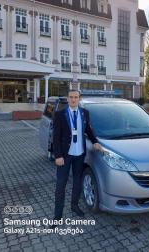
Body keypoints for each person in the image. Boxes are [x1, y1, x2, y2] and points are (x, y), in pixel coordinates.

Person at [52, 89, 102, 226]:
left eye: (76, 97)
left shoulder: (84, 113)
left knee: (77, 182)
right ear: (67, 99)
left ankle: (74, 206)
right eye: (71, 97)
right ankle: (57, 216)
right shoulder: (60, 115)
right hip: (64, 156)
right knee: (60, 186)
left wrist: (95, 142)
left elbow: (88, 130)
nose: (73, 99)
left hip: (79, 154)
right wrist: (58, 155)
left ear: (79, 99)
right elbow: (55, 137)